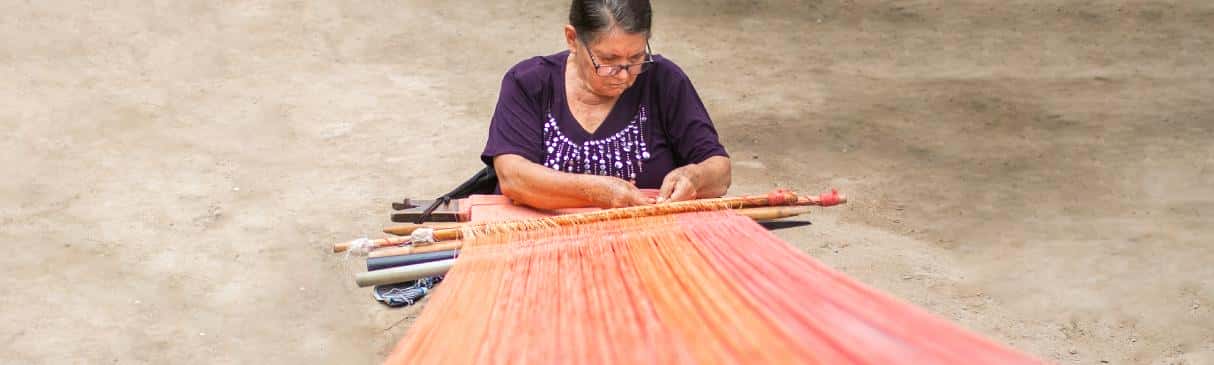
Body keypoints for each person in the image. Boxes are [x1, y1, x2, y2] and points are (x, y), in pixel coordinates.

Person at [481, 0, 731, 210]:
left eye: (636, 58)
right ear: (572, 38)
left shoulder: (664, 80)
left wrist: (695, 178)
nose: (624, 75)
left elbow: (720, 171)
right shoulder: (529, 83)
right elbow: (513, 178)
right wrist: (597, 191)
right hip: (542, 246)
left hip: (645, 245)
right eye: (608, 59)